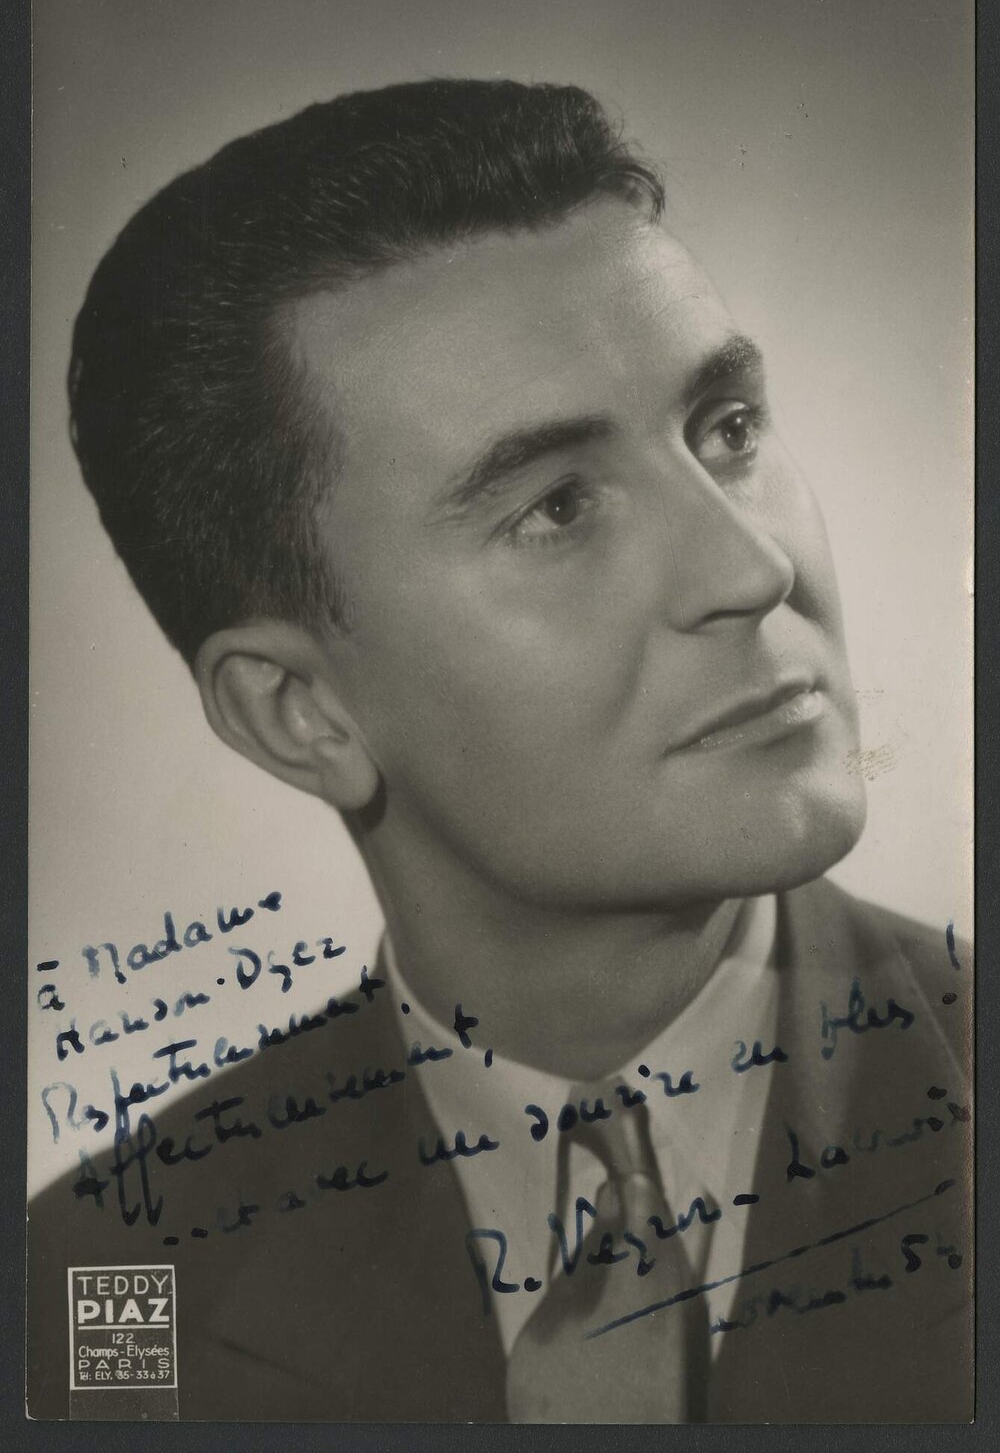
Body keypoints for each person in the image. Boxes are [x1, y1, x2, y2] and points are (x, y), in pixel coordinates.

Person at [27, 79, 972, 1424]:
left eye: (730, 430)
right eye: (558, 507)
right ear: (300, 711)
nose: (752, 565)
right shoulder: (99, 1281)